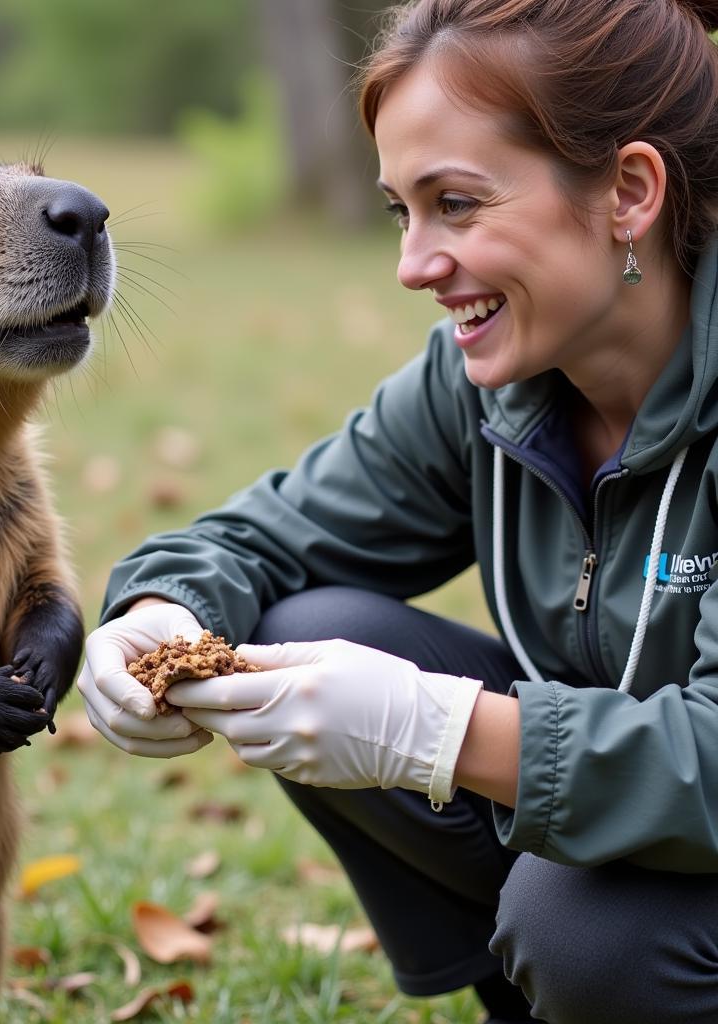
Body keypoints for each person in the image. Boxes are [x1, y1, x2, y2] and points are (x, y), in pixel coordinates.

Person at [78, 1, 718, 1021]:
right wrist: (157, 610)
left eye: (456, 203)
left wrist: (433, 729)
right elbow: (260, 541)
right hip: (640, 834)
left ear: (629, 192)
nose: (414, 265)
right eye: (400, 211)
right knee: (301, 632)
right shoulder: (486, 386)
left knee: (587, 931)